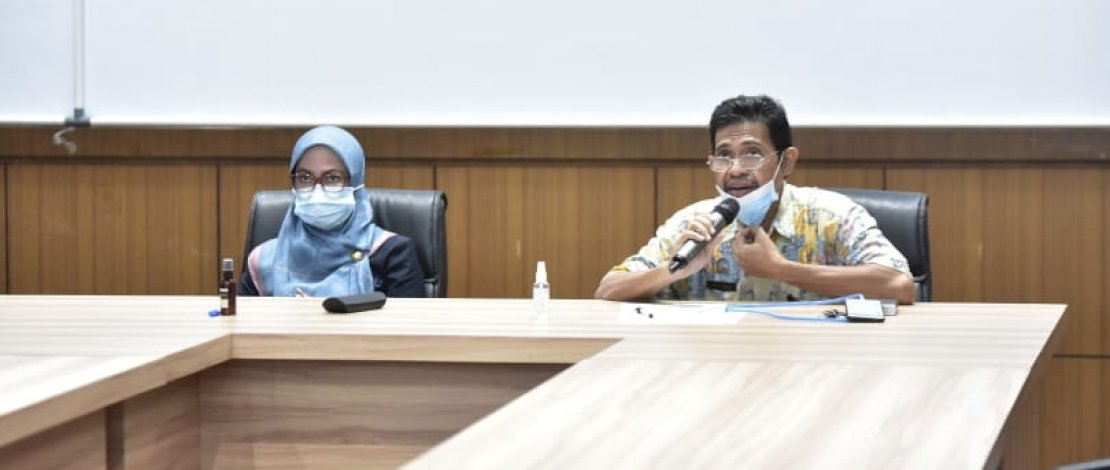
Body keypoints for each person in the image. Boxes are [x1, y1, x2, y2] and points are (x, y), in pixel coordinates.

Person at [595, 95, 915, 304]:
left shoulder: (832, 215)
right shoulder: (696, 223)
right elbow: (608, 290)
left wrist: (781, 269)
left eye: (752, 154)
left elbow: (900, 285)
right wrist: (673, 270)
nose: (735, 170)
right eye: (723, 156)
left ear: (786, 162)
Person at [239, 125, 425, 297]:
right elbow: (241, 326)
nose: (317, 190)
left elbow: (408, 330)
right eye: (304, 178)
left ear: (356, 184)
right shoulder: (263, 260)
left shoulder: (392, 254)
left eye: (333, 178)